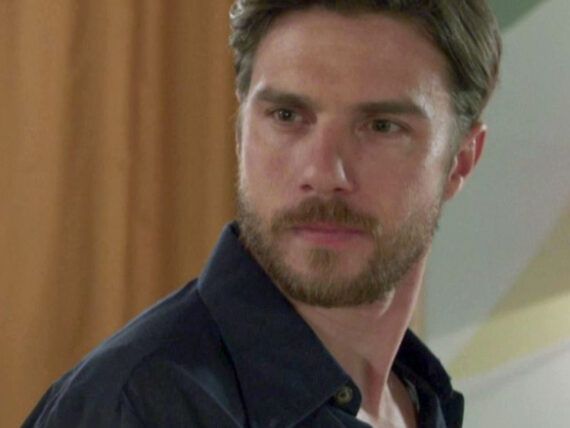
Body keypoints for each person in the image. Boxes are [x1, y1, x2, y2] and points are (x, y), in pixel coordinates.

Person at [24, 1, 501, 427]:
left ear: (461, 161)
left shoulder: (424, 399)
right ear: (240, 134)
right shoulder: (138, 408)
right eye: (287, 116)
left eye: (380, 126)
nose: (323, 173)